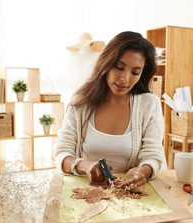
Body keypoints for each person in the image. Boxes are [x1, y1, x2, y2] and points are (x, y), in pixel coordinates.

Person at [53, 31, 164, 190]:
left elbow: (153, 156)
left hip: (130, 194)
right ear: (106, 62)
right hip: (88, 191)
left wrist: (141, 172)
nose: (125, 79)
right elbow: (62, 152)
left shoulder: (149, 104)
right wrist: (86, 166)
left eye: (135, 72)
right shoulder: (81, 102)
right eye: (119, 67)